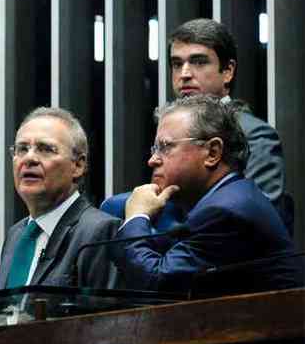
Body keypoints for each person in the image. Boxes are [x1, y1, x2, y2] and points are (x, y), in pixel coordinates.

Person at [102, 18, 292, 234]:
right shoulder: (170, 125)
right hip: (172, 246)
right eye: (176, 64)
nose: (184, 74)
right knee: (115, 208)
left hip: (219, 253)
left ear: (228, 71)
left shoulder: (255, 134)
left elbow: (262, 218)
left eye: (199, 62)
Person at [116, 95, 302, 296]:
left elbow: (156, 283)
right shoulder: (227, 197)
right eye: (155, 149)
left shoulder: (227, 211)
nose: (152, 160)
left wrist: (136, 217)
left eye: (165, 147)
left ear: (212, 152)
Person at [0, 106, 122, 290]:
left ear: (78, 165)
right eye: (22, 149)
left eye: (45, 149)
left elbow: (103, 317)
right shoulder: (16, 234)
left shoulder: (99, 231)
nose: (29, 158)